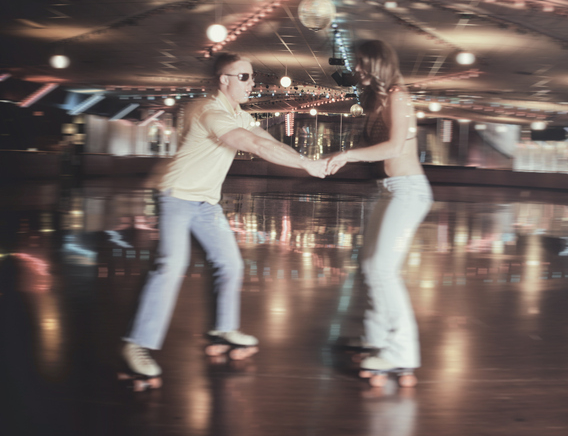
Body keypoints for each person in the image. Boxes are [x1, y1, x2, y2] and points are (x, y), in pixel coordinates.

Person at [122, 53, 329, 381]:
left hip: (206, 204)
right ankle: (137, 344)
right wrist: (307, 165)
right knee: (171, 265)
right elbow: (249, 144)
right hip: (176, 197)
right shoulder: (211, 111)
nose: (252, 82)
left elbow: (267, 141)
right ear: (224, 80)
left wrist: (306, 160)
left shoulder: (238, 114)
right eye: (244, 77)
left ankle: (224, 329)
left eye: (252, 76)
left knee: (230, 264)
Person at [326, 40, 432, 379]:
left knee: (382, 269)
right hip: (388, 190)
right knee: (369, 265)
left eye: (360, 63)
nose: (355, 69)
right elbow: (367, 146)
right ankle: (373, 338)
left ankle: (401, 352)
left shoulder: (398, 95)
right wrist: (338, 156)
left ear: (377, 64)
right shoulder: (376, 100)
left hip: (409, 191)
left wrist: (349, 156)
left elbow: (394, 146)